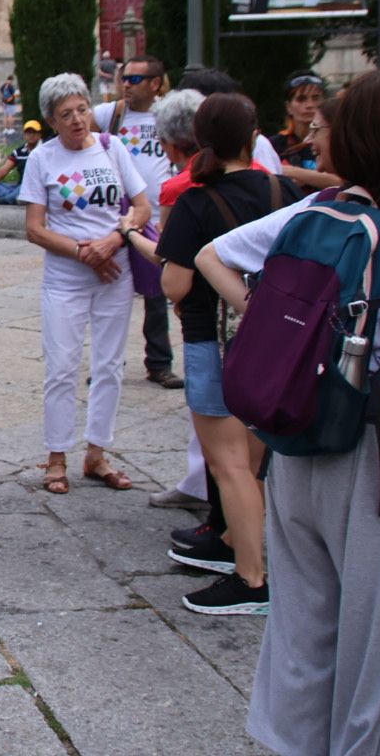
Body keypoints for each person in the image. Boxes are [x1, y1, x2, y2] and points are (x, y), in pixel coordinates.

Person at [197, 69, 380, 754]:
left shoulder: (315, 214)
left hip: (297, 435)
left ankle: (288, 743)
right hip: (376, 447)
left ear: (364, 136)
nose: (312, 131)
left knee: (302, 618)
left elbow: (214, 256)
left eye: (327, 123)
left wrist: (286, 338)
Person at [128, 93, 301, 616]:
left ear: (200, 142)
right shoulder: (284, 190)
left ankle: (252, 578)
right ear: (253, 138)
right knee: (253, 458)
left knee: (228, 465)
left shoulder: (198, 204)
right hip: (276, 340)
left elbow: (175, 284)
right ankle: (231, 544)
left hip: (216, 342)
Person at [18, 72, 149, 494]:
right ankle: (56, 455)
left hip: (115, 270)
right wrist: (83, 252)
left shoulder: (112, 148)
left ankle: (97, 453)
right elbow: (35, 229)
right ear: (52, 121)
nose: (77, 120)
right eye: (65, 114)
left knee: (110, 364)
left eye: (82, 110)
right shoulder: (43, 159)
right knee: (61, 366)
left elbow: (144, 207)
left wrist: (113, 240)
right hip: (67, 278)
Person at [138, 90, 216, 513]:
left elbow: (170, 265)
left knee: (207, 408)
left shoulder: (179, 188)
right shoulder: (259, 174)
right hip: (249, 307)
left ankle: (206, 488)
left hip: (203, 312)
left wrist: (131, 234)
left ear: (170, 142)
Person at [92, 54, 180, 390]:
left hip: (156, 218)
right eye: (123, 78)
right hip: (114, 218)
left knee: (157, 295)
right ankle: (107, 362)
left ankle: (159, 363)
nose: (126, 84)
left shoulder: (166, 114)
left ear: (155, 84)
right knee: (110, 296)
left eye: (134, 79)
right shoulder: (110, 114)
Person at [271, 70, 339, 192]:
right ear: (288, 107)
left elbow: (343, 182)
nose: (309, 105)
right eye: (301, 99)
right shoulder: (274, 145)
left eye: (316, 98)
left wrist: (296, 173)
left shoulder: (333, 142)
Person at [0, 121, 43, 205]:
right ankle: (14, 199)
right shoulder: (19, 151)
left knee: (25, 187)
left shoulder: (45, 150)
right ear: (24, 135)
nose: (31, 135)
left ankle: (1, 201)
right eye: (28, 132)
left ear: (39, 134)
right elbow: (4, 169)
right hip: (19, 187)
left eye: (34, 132)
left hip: (35, 187)